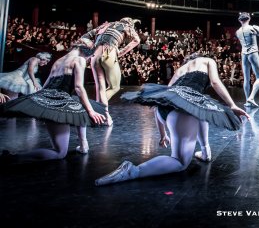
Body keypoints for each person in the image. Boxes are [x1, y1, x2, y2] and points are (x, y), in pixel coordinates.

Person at [95, 53, 250, 186]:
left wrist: (163, 134)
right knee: (180, 162)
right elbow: (215, 82)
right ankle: (134, 171)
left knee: (203, 109)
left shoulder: (180, 69)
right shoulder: (208, 61)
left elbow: (163, 99)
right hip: (183, 108)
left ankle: (205, 151)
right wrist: (232, 105)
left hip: (165, 111)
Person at [1, 42, 107, 160]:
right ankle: (13, 157)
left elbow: (47, 85)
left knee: (79, 106)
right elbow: (78, 88)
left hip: (50, 98)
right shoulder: (79, 60)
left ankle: (84, 145)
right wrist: (91, 111)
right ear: (86, 52)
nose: (88, 60)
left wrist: (37, 101)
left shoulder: (59, 60)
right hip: (58, 102)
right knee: (60, 153)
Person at [81, 17, 141, 124]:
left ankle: (103, 116)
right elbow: (137, 40)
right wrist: (121, 52)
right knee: (114, 87)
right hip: (109, 53)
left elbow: (84, 37)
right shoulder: (127, 26)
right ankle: (98, 110)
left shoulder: (106, 25)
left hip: (94, 56)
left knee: (100, 88)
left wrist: (91, 48)